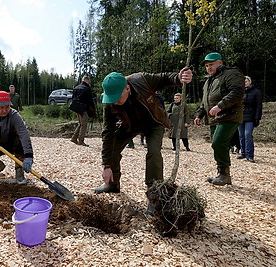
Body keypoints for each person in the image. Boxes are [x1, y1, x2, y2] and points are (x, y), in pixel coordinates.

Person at [94, 67, 193, 214]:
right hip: (130, 125)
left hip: (154, 122)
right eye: (111, 99)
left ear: (127, 88)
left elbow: (165, 77)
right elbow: (108, 132)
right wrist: (106, 165)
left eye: (117, 98)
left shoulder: (142, 80)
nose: (114, 102)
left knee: (153, 153)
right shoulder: (109, 101)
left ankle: (154, 196)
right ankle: (112, 184)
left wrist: (179, 78)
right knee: (113, 147)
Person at [194, 52, 245, 186]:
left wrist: (220, 106)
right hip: (214, 119)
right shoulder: (208, 81)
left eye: (211, 64)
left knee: (218, 142)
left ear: (220, 63)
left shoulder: (231, 73)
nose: (208, 68)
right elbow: (204, 101)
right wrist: (199, 114)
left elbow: (237, 92)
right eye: (206, 66)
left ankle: (224, 175)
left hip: (229, 115)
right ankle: (222, 174)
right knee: (216, 145)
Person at [237, 76, 262, 163]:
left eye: (246, 81)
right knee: (241, 135)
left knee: (248, 134)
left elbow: (259, 106)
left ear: (250, 82)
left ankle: (250, 155)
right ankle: (243, 153)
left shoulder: (256, 92)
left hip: (251, 117)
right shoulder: (239, 92)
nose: (244, 82)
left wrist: (257, 118)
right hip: (240, 117)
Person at [70, 76, 95, 146]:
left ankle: (74, 138)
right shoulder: (87, 88)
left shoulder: (76, 88)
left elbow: (73, 98)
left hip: (76, 108)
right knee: (84, 124)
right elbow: (90, 100)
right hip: (83, 108)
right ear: (87, 80)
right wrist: (93, 109)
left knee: (80, 123)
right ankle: (81, 140)